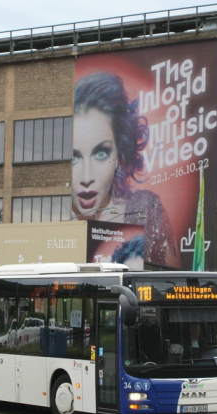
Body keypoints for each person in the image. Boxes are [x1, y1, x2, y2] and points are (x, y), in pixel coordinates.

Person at [73, 72, 181, 268]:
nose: (86, 177)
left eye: (101, 153)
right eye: (74, 157)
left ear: (118, 154)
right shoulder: (52, 219)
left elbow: (172, 285)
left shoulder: (146, 209)